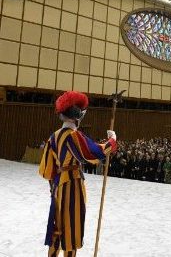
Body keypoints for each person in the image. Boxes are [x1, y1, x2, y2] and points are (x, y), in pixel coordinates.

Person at [39, 91, 117, 257]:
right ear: (77, 116)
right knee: (71, 229)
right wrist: (112, 141)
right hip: (72, 186)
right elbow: (93, 153)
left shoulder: (53, 137)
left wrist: (54, 188)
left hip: (57, 186)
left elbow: (46, 170)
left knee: (57, 229)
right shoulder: (73, 135)